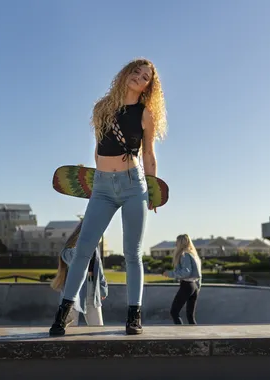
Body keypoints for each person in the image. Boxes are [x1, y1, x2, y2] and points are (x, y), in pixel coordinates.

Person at [49, 58, 168, 336]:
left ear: (149, 86)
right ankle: (63, 313)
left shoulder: (145, 114)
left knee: (132, 254)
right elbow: (98, 147)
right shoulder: (102, 108)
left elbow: (148, 154)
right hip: (102, 187)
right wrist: (97, 175)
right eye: (135, 72)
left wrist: (152, 189)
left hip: (133, 185)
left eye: (145, 77)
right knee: (82, 251)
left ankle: (134, 315)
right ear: (125, 74)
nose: (138, 78)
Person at [51, 220, 108, 327]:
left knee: (98, 328)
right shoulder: (69, 250)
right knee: (69, 328)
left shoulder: (95, 248)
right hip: (73, 292)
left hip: (92, 290)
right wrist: (84, 244)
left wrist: (103, 288)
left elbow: (99, 269)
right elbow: (74, 260)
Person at [163, 234, 203, 324]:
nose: (175, 244)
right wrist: (198, 287)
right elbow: (199, 274)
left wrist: (169, 274)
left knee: (174, 312)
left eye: (177, 242)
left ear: (181, 243)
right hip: (195, 286)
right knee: (190, 316)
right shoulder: (194, 255)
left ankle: (180, 334)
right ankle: (196, 336)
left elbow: (186, 272)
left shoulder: (184, 254)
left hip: (187, 286)